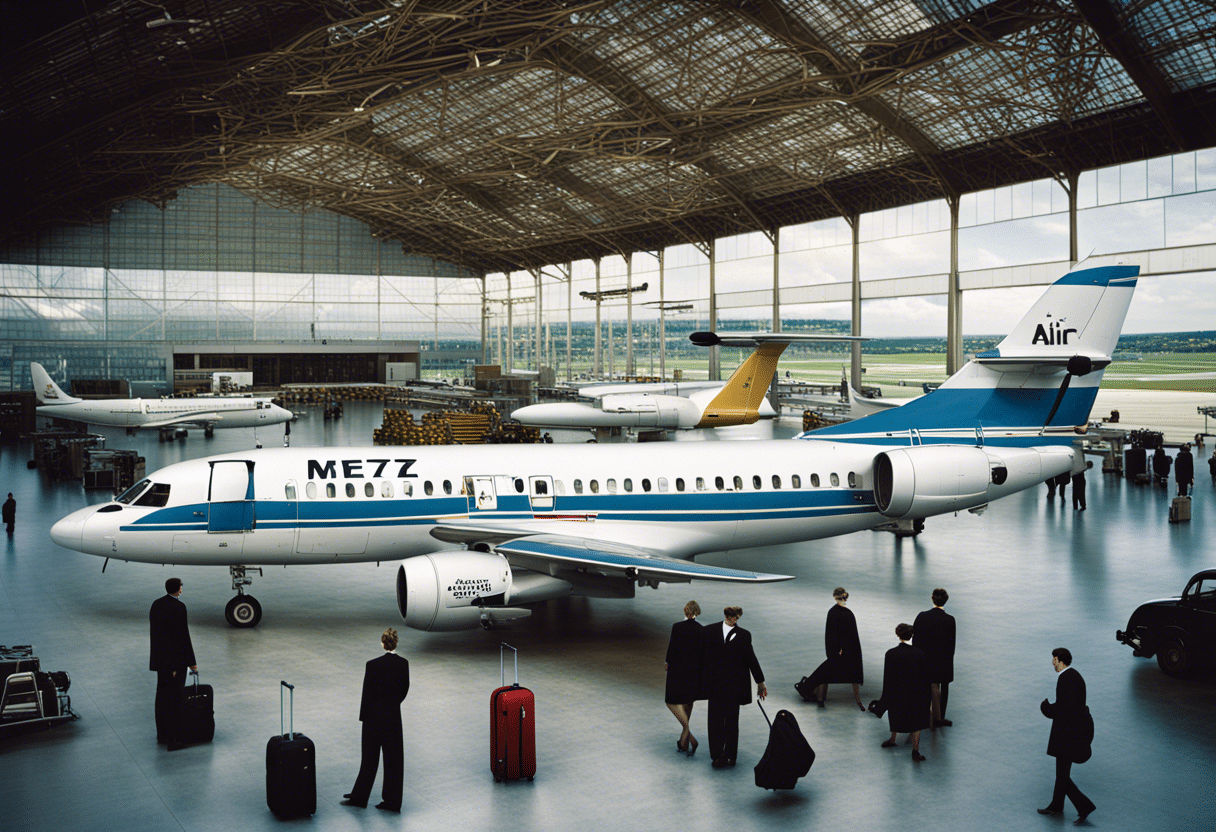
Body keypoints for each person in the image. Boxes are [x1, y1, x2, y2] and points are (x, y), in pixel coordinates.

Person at [343, 627, 411, 812]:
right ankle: (392, 801)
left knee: (369, 759)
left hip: (373, 718)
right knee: (394, 761)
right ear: (396, 643)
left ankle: (360, 797)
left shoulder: (372, 665)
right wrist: (392, 705)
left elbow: (367, 694)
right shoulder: (403, 664)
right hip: (393, 718)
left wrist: (364, 718)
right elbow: (404, 689)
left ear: (382, 644)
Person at [702, 606, 767, 769]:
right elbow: (701, 655)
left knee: (732, 721)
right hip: (715, 685)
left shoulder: (744, 635)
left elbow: (751, 658)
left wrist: (760, 682)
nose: (734, 621)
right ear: (725, 616)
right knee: (715, 721)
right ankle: (717, 755)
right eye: (732, 618)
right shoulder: (710, 631)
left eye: (737, 618)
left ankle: (731, 755)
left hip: (734, 686)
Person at [1037, 648, 1096, 824]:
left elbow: (1065, 709)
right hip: (1073, 733)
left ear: (1060, 660)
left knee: (1062, 775)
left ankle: (1084, 806)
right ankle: (1057, 805)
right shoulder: (1075, 676)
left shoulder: (1065, 678)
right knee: (1062, 772)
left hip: (1067, 735)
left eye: (1054, 660)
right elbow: (1070, 705)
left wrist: (1047, 709)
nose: (1052, 663)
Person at [148, 577, 197, 751]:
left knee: (161, 697)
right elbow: (183, 636)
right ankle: (173, 738)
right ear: (179, 589)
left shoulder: (156, 604)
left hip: (160, 661)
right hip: (175, 662)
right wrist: (191, 662)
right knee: (175, 700)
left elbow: (158, 634)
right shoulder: (179, 608)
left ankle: (161, 734)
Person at [874, 623, 930, 762]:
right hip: (915, 694)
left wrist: (884, 700)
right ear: (911, 635)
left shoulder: (891, 654)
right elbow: (924, 677)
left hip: (897, 694)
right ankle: (915, 751)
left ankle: (893, 739)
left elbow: (888, 678)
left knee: (895, 716)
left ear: (898, 635)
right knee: (916, 722)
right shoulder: (919, 653)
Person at [805, 587, 864, 710]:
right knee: (823, 672)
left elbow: (831, 637)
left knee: (822, 673)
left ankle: (818, 698)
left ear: (834, 597)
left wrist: (833, 655)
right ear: (846, 597)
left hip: (838, 657)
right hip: (852, 659)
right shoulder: (849, 614)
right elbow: (853, 639)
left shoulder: (832, 612)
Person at [664, 600, 705, 756]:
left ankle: (689, 735)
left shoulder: (677, 627)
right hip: (694, 671)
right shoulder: (702, 630)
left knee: (671, 701)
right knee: (688, 702)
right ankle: (684, 742)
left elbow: (672, 647)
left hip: (678, 669)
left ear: (686, 611)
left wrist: (668, 662)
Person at [912, 589, 955, 727]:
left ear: (932, 599)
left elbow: (915, 640)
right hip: (942, 661)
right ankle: (940, 716)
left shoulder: (921, 616)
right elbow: (951, 644)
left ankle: (924, 713)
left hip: (925, 660)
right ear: (946, 600)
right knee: (944, 686)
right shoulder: (950, 620)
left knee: (925, 686)